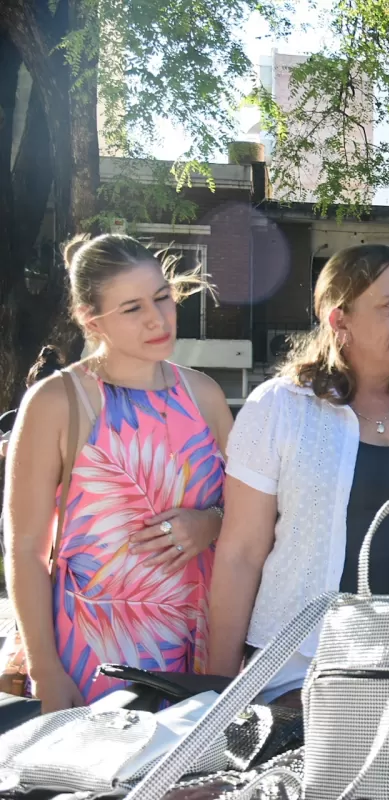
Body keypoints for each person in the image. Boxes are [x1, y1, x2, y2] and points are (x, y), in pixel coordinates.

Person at [206, 244, 389, 704]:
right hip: (306, 677)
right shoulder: (279, 408)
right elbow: (239, 554)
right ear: (340, 320)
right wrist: (218, 690)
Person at [2, 234, 232, 712]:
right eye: (132, 308)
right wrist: (45, 669)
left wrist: (209, 523)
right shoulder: (55, 401)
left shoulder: (205, 395)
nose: (157, 317)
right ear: (91, 319)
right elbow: (25, 550)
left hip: (201, 649)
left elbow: (251, 517)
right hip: (91, 657)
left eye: (162, 297)